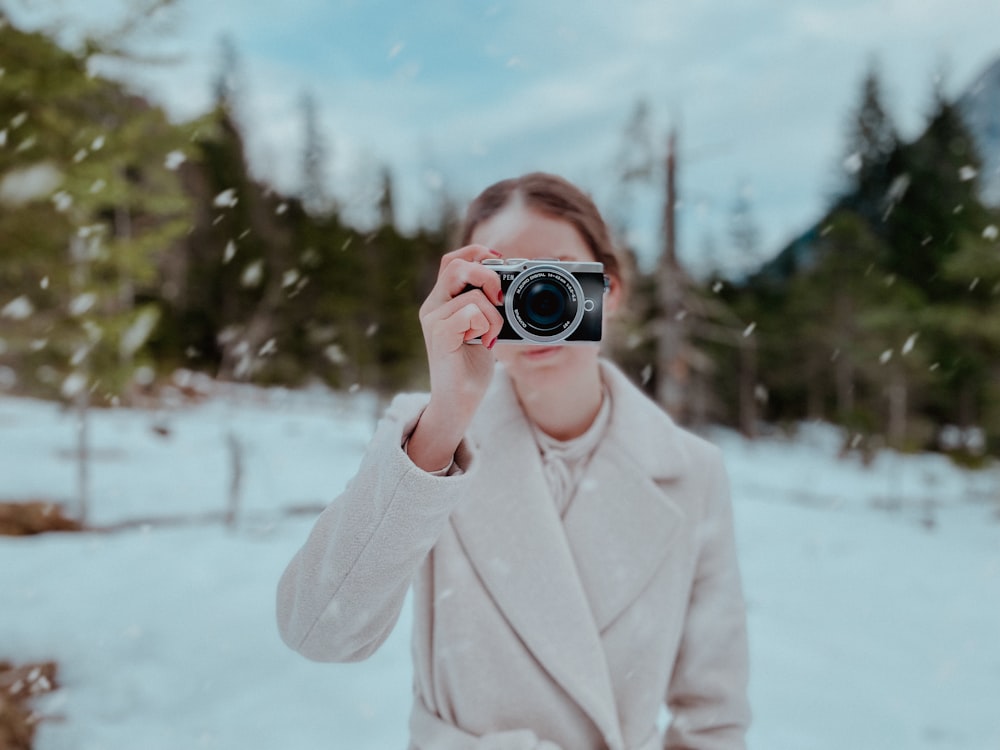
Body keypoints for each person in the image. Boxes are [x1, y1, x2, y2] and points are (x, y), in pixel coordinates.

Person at [276, 172, 751, 750]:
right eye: (510, 281)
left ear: (612, 289)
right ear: (468, 298)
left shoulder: (692, 472)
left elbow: (714, 718)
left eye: (557, 275)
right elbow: (318, 632)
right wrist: (447, 415)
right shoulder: (427, 437)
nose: (539, 299)